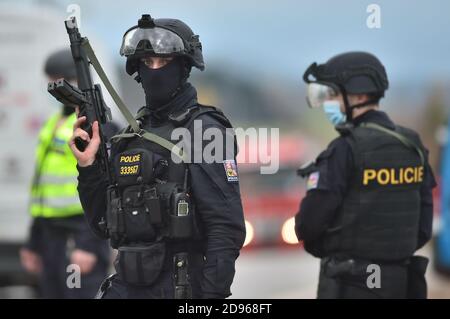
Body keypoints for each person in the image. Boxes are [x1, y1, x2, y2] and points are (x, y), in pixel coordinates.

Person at [69, 14, 246, 299]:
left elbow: (226, 228)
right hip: (126, 286)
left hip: (180, 287)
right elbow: (104, 224)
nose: (154, 70)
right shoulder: (130, 136)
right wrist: (88, 166)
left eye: (163, 62)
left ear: (184, 67)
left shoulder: (204, 129)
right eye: (147, 63)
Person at [295, 51, 436, 299]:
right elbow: (423, 228)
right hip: (400, 283)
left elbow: (308, 225)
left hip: (350, 284)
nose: (329, 104)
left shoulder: (344, 149)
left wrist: (334, 252)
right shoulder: (412, 145)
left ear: (358, 95)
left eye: (334, 95)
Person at [20, 49, 111, 298]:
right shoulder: (53, 123)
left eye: (59, 80)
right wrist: (33, 243)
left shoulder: (99, 126)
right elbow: (43, 189)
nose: (54, 88)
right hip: (50, 237)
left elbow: (104, 191)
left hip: (79, 238)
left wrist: (89, 245)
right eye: (50, 81)